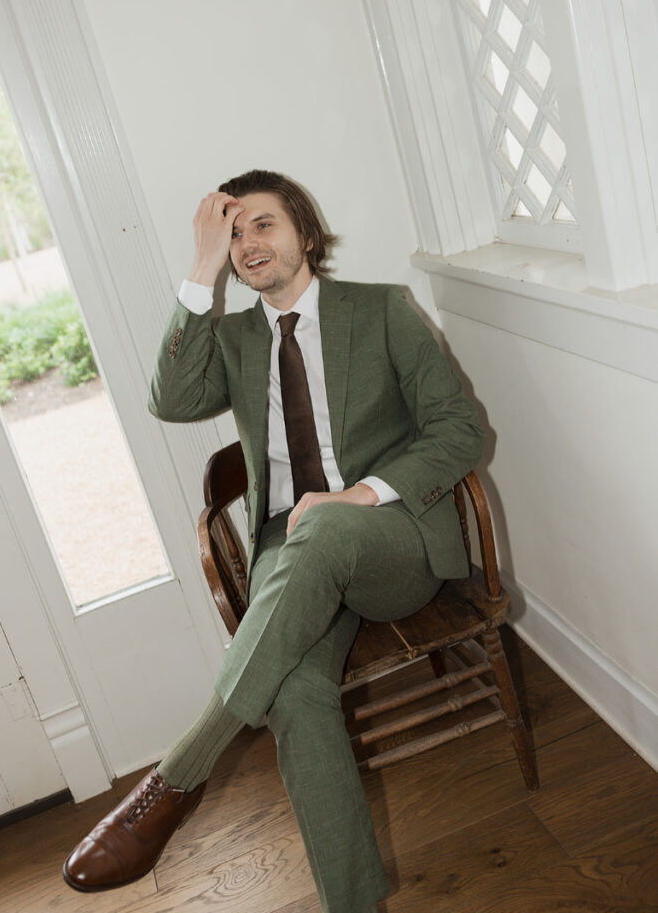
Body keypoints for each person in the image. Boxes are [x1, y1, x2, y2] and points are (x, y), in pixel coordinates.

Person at [63, 169, 485, 911]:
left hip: (388, 542)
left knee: (321, 521)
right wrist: (198, 270)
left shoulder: (382, 310)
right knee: (294, 697)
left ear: (305, 235)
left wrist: (356, 496)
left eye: (262, 224)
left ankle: (176, 776)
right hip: (286, 555)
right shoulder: (230, 340)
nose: (246, 243)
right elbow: (171, 400)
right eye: (231, 235)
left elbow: (459, 430)